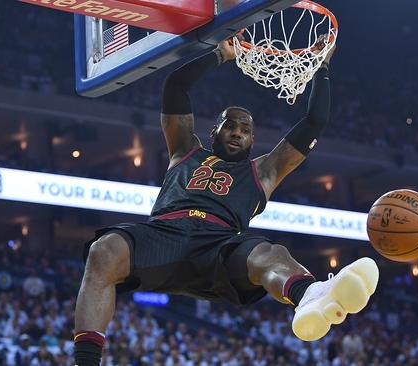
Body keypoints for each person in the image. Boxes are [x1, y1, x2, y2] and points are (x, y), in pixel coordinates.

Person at [73, 36, 379, 365]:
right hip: (164, 234)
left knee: (268, 252)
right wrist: (220, 54)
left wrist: (323, 66)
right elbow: (176, 86)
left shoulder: (264, 170)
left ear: (252, 139)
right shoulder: (184, 150)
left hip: (218, 245)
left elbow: (314, 121)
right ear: (214, 132)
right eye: (229, 125)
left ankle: (309, 295)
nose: (236, 132)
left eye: (244, 129)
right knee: (104, 250)